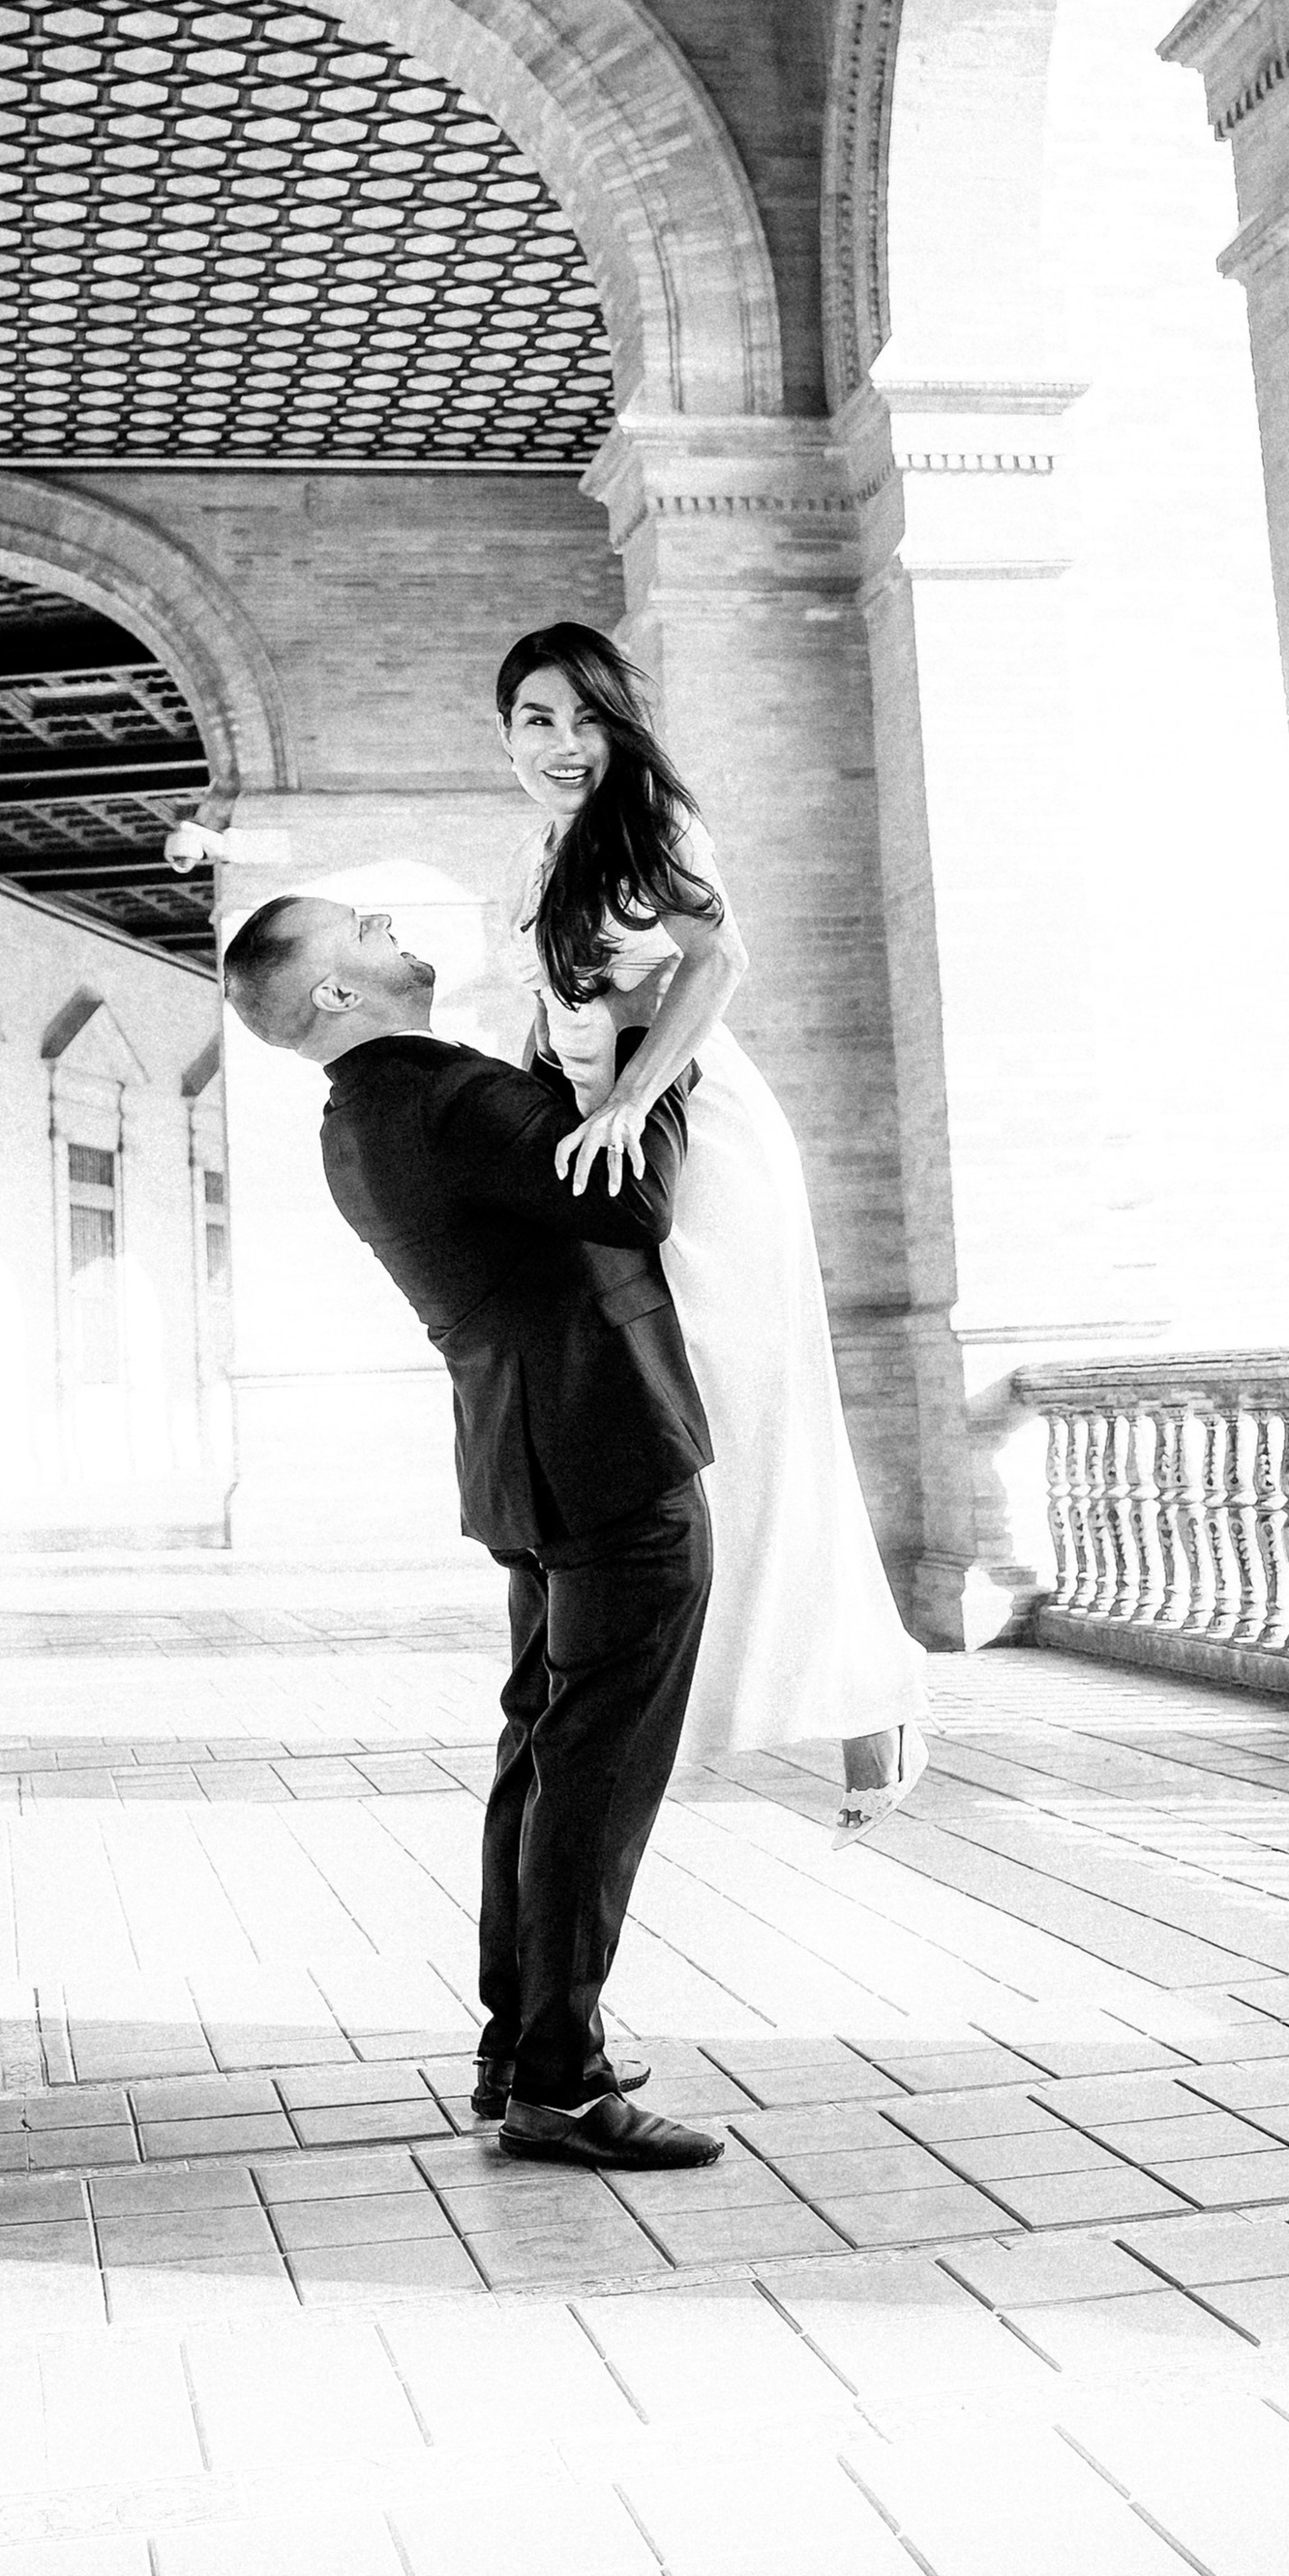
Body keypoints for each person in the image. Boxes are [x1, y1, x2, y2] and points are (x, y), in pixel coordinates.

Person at [221, 889, 725, 2172]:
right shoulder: (436, 1093)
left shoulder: (363, 1116)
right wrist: (646, 1047)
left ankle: (522, 2043)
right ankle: (560, 2077)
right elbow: (637, 1195)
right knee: (592, 1769)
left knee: (544, 1754)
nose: (390, 921)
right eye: (362, 928)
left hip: (530, 1452)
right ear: (333, 992)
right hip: (607, 1449)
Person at [497, 620, 929, 1837]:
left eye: (585, 715)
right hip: (614, 1147)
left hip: (703, 1140)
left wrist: (631, 1095)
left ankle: (871, 1696)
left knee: (757, 1419)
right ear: (507, 736)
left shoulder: (647, 817)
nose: (564, 743)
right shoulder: (537, 851)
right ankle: (695, 1699)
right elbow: (551, 1013)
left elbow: (717, 955)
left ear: (616, 724)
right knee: (678, 1437)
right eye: (537, 719)